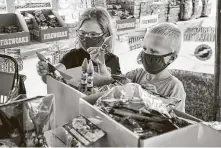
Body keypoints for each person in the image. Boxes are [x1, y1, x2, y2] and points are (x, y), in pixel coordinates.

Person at [92, 23, 186, 112]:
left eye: (153, 51)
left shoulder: (174, 87)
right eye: (145, 49)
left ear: (171, 58)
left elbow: (176, 121)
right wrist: (101, 64)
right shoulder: (137, 74)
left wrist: (154, 99)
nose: (146, 54)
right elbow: (113, 86)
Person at [37, 7, 121, 82]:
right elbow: (52, 77)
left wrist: (102, 68)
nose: (86, 38)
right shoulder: (73, 56)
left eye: (93, 34)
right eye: (82, 33)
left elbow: (118, 87)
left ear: (105, 36)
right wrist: (45, 71)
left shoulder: (113, 60)